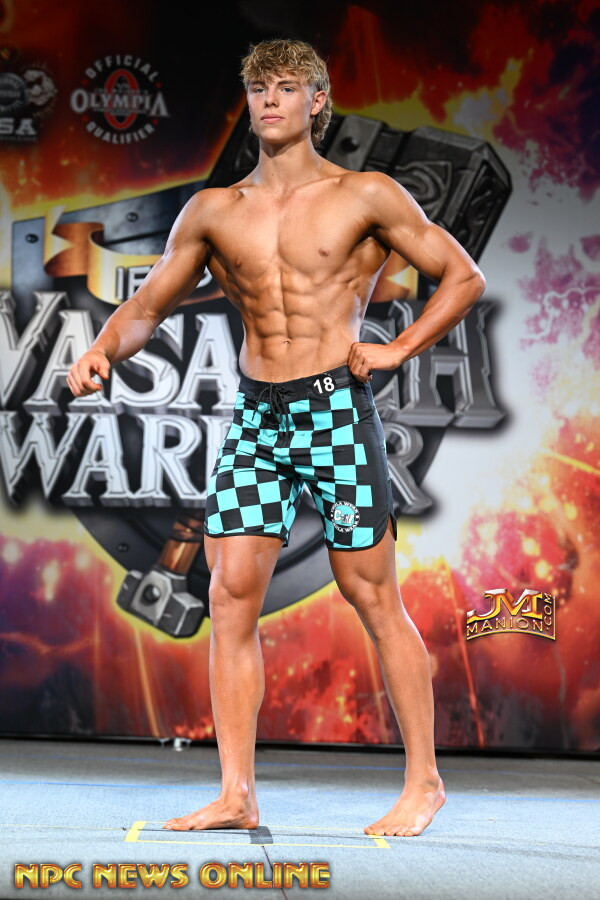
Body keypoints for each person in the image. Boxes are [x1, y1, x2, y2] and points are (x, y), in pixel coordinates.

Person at [67, 38, 485, 838]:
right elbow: (148, 305)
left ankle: (425, 782)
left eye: (287, 87)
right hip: (258, 417)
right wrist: (103, 350)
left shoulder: (365, 194)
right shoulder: (215, 210)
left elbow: (463, 276)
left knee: (371, 594)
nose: (269, 100)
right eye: (259, 87)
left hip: (335, 412)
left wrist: (398, 348)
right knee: (228, 598)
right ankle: (237, 794)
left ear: (316, 102)